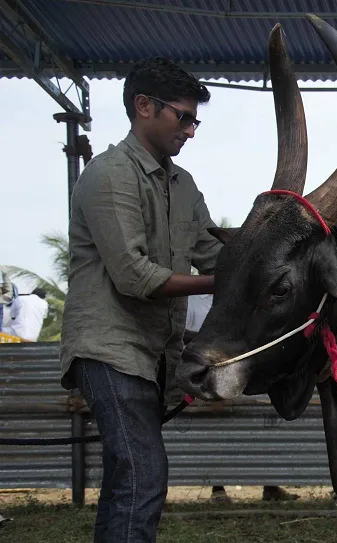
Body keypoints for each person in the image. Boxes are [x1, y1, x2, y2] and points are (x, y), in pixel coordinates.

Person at [59, 57, 222, 542]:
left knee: (126, 479)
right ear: (144, 106)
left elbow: (214, 254)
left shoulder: (185, 186)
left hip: (153, 356)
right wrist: (222, 284)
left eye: (196, 120)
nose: (191, 131)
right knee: (143, 474)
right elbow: (134, 276)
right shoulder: (108, 174)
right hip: (109, 350)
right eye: (184, 117)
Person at [183, 294, 298, 505]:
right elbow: (181, 335)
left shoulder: (233, 296)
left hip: (241, 374)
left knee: (261, 430)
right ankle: (218, 488)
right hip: (210, 378)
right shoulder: (190, 300)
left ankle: (270, 486)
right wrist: (210, 341)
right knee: (218, 435)